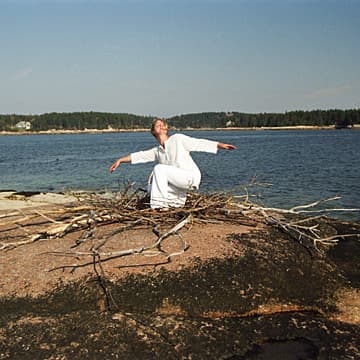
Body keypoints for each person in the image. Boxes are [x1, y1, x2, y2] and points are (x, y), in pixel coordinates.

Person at [109, 118, 236, 209]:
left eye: (162, 124)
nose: (160, 126)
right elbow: (139, 155)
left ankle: (159, 207)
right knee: (150, 187)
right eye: (157, 125)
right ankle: (177, 203)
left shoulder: (177, 139)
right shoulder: (157, 151)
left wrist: (219, 145)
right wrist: (120, 160)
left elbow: (198, 143)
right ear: (153, 131)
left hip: (190, 177)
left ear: (165, 128)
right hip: (178, 185)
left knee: (159, 169)